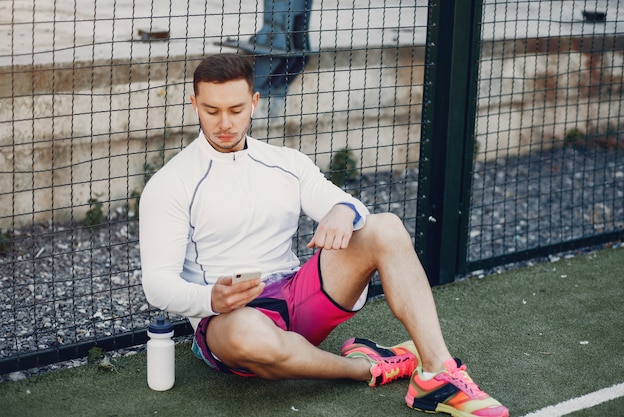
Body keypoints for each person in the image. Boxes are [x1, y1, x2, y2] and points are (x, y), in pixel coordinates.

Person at [139, 53, 509, 417]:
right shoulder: (171, 184)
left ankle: (436, 373)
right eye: (212, 110)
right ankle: (368, 368)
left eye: (236, 110)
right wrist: (212, 298)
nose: (224, 123)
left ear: (254, 102)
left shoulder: (285, 162)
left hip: (296, 296)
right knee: (248, 336)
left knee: (386, 227)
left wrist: (341, 212)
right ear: (194, 104)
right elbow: (157, 284)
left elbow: (346, 205)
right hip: (228, 320)